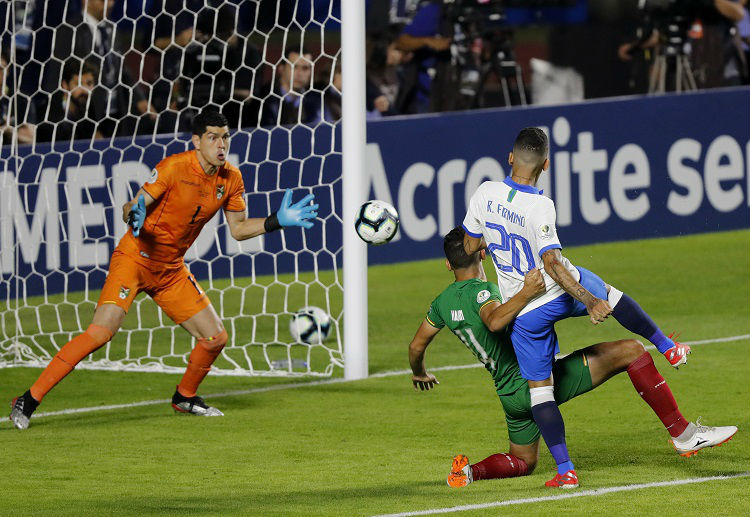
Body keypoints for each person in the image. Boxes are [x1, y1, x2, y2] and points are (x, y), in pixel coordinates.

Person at [9, 110, 319, 430]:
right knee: (101, 332)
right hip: (135, 259)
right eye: (213, 137)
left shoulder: (231, 178)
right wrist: (136, 212)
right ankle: (29, 399)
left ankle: (184, 397)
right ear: (197, 141)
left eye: (225, 136)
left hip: (170, 270)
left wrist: (276, 221)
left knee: (215, 338)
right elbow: (131, 206)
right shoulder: (173, 167)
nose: (221, 144)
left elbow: (238, 229)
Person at [409, 227, 737, 488]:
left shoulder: (440, 303)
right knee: (631, 351)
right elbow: (494, 318)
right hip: (535, 382)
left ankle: (469, 472)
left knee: (523, 462)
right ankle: (683, 434)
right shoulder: (487, 293)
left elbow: (416, 347)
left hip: (509, 396)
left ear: (448, 264)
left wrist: (419, 371)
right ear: (482, 254)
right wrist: (526, 292)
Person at [461, 128, 693, 487]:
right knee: (613, 297)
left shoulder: (484, 192)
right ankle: (669, 348)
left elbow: (471, 242)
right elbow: (552, 261)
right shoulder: (540, 205)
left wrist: (492, 244)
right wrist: (589, 301)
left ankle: (566, 470)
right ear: (547, 164)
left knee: (540, 390)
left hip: (523, 311)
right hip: (557, 289)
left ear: (510, 157)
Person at [35, 58, 101, 143]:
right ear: (65, 85)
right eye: (78, 84)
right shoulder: (48, 115)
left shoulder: (88, 106)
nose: (85, 90)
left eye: (89, 84)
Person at [261, 46, 322, 127]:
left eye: (305, 68)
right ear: (281, 69)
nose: (300, 74)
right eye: (294, 67)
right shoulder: (263, 100)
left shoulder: (316, 100)